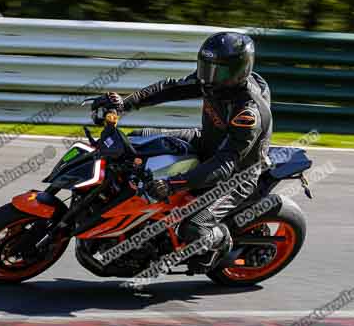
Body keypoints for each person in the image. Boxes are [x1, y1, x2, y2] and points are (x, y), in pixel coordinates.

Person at [95, 32, 273, 272]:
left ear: (237, 72)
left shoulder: (248, 113)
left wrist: (173, 184)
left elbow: (224, 164)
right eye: (204, 67)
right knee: (139, 137)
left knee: (195, 228)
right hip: (206, 141)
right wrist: (125, 103)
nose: (207, 76)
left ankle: (221, 240)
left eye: (216, 70)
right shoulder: (212, 82)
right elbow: (170, 88)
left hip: (238, 173)